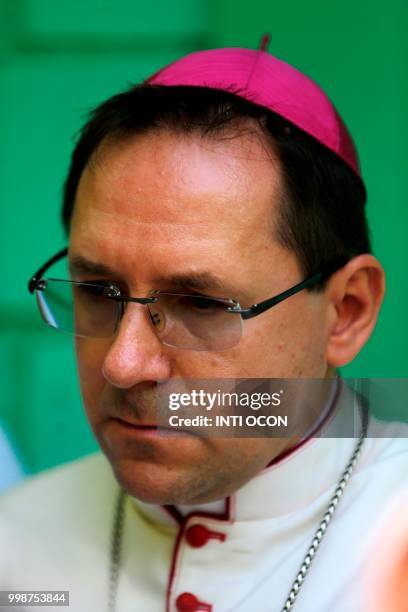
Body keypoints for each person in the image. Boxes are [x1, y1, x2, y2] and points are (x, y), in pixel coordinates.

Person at [1, 42, 407, 612]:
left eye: (201, 304)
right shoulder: (15, 545)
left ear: (347, 312)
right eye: (97, 292)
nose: (123, 363)